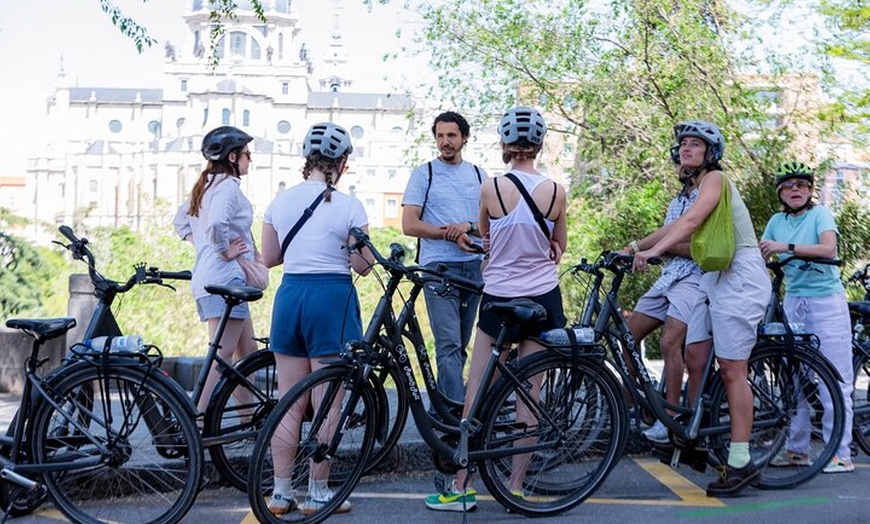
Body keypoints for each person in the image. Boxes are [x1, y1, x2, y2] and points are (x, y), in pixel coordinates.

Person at [425, 106, 567, 512]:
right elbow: (560, 246)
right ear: (538, 144)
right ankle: (516, 487)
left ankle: (462, 486)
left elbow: (486, 239)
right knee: (529, 392)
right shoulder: (556, 191)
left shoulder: (491, 188)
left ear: (505, 143)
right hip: (543, 298)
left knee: (477, 392)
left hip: (500, 298)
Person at [632, 120, 769, 497]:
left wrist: (655, 252)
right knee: (694, 356)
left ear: (711, 153)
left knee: (732, 369)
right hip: (714, 277)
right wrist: (633, 247)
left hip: (740, 276)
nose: (687, 148)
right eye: (684, 144)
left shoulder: (716, 180)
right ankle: (694, 437)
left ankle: (740, 461)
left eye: (696, 144)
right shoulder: (694, 188)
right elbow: (675, 225)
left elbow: (691, 223)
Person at [259, 122, 374, 516]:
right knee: (328, 402)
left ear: (307, 160)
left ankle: (280, 492)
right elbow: (362, 266)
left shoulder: (280, 202)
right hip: (331, 300)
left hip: (291, 296)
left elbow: (269, 258)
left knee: (290, 400)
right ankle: (318, 492)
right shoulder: (349, 205)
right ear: (341, 163)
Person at [759, 161, 855, 473]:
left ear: (811, 190)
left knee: (835, 379)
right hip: (795, 302)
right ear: (780, 193)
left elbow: (828, 249)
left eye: (801, 185)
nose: (795, 190)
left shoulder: (820, 214)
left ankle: (840, 453)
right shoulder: (776, 221)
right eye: (788, 186)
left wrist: (785, 247)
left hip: (826, 301)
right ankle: (796, 450)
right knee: (795, 378)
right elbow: (761, 253)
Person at [402, 111, 487, 407]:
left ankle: (446, 408)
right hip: (438, 269)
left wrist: (468, 227)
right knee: (448, 343)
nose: (445, 142)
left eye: (451, 135)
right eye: (440, 136)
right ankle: (453, 415)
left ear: (465, 138)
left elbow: (492, 224)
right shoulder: (424, 174)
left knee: (460, 344)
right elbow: (409, 224)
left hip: (474, 267)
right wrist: (449, 234)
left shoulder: (480, 176)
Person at [173, 125, 258, 416]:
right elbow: (218, 223)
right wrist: (222, 250)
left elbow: (180, 222)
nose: (250, 159)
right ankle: (195, 419)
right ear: (232, 157)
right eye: (247, 154)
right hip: (225, 279)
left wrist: (202, 246)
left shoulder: (206, 186)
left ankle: (249, 419)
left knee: (248, 354)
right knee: (222, 357)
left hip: (212, 278)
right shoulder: (228, 187)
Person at [623, 171, 703, 444]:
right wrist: (641, 248)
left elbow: (698, 250)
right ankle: (631, 407)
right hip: (668, 277)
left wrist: (664, 247)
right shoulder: (676, 202)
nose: (682, 163)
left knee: (669, 342)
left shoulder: (707, 196)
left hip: (695, 278)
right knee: (627, 336)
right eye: (679, 155)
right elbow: (669, 243)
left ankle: (669, 419)